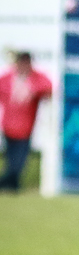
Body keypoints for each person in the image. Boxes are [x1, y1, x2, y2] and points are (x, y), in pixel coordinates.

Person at [0, 53, 53, 192]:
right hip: (8, 127)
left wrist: (31, 87)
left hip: (25, 128)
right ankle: (11, 187)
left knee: (19, 164)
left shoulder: (34, 80)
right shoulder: (7, 79)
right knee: (12, 162)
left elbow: (48, 88)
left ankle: (11, 186)